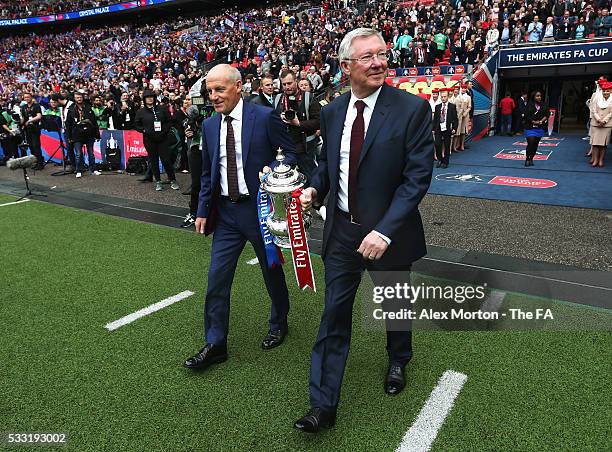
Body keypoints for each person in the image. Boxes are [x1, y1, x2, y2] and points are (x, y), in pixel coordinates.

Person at [294, 28, 434, 433]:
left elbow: (417, 179)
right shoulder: (333, 110)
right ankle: (322, 405)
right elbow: (329, 164)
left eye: (382, 55)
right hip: (341, 233)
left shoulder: (412, 109)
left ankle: (398, 359)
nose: (378, 63)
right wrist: (314, 188)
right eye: (367, 57)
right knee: (334, 314)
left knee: (394, 307)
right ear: (345, 66)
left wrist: (386, 231)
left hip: (387, 236)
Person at [184, 64, 297, 371]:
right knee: (216, 279)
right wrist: (202, 211)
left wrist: (274, 177)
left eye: (219, 89)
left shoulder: (262, 116)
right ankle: (216, 343)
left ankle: (279, 320)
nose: (214, 96)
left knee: (271, 269)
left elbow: (291, 153)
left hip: (258, 209)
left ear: (238, 87)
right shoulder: (209, 125)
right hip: (226, 215)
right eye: (209, 91)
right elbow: (207, 174)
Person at [274, 70, 321, 185]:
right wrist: (279, 119)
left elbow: (319, 122)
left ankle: (315, 199)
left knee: (311, 177)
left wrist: (299, 124)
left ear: (296, 81)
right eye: (284, 84)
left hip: (306, 147)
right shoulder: (278, 99)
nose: (287, 87)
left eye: (289, 83)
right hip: (286, 147)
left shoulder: (308, 98)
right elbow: (273, 123)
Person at [134, 90, 179, 191]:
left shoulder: (162, 109)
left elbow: (169, 121)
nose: (150, 98)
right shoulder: (140, 112)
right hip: (149, 139)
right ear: (144, 99)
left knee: (166, 160)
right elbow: (136, 124)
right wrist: (144, 130)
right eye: (147, 97)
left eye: (152, 97)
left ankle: (173, 180)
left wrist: (164, 131)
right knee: (153, 161)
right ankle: (158, 181)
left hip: (163, 138)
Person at [65, 90, 101, 178]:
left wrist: (97, 135)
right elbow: (68, 124)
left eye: (80, 97)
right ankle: (78, 170)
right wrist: (69, 137)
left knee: (91, 154)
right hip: (77, 135)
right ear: (74, 98)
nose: (79, 99)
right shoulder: (71, 109)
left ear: (82, 97)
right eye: (77, 97)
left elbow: (94, 122)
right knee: (78, 154)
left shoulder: (88, 107)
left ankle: (93, 169)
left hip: (89, 134)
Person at [523, 91, 551, 167]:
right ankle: (527, 159)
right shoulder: (529, 105)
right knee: (530, 143)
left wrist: (541, 121)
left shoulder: (544, 104)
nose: (539, 97)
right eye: (537, 96)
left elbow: (547, 114)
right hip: (529, 127)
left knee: (535, 144)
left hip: (539, 127)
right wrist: (533, 121)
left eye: (540, 96)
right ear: (533, 97)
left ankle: (531, 158)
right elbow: (526, 115)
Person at [433, 88, 458, 168]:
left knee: (447, 146)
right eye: (442, 97)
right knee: (437, 144)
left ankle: (445, 162)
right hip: (438, 128)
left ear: (448, 97)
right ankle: (440, 159)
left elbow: (455, 118)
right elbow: (435, 119)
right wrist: (433, 129)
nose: (443, 98)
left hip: (447, 128)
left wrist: (454, 128)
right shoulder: (437, 107)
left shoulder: (452, 106)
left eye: (445, 97)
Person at [589, 81, 612, 168]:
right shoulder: (597, 98)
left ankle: (601, 160)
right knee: (595, 144)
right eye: (604, 90)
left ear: (610, 91)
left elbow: (611, 113)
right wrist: (599, 119)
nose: (605, 92)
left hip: (607, 125)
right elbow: (593, 110)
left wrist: (604, 121)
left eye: (607, 91)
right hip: (596, 124)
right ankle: (595, 160)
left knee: (603, 144)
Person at [20, 93, 44, 170]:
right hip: (27, 130)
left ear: (31, 97)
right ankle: (36, 162)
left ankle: (40, 163)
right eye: (25, 97)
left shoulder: (36, 106)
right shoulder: (24, 107)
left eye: (28, 97)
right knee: (31, 147)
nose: (27, 98)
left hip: (35, 128)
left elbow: (39, 116)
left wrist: (30, 121)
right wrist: (19, 122)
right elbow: (23, 118)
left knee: (36, 146)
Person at [454, 84, 471, 151]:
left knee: (463, 131)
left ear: (466, 89)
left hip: (465, 115)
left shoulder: (468, 97)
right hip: (458, 115)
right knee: (458, 130)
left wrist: (465, 113)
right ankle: (457, 145)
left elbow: (469, 107)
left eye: (465, 88)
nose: (463, 89)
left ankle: (462, 145)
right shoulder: (458, 96)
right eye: (462, 88)